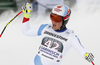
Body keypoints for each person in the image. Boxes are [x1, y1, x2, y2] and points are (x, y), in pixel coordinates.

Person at [22, 3, 94, 65]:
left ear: (65, 20)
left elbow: (82, 50)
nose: (53, 21)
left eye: (57, 19)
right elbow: (26, 31)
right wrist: (26, 15)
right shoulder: (45, 28)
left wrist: (86, 55)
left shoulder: (70, 36)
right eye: (52, 17)